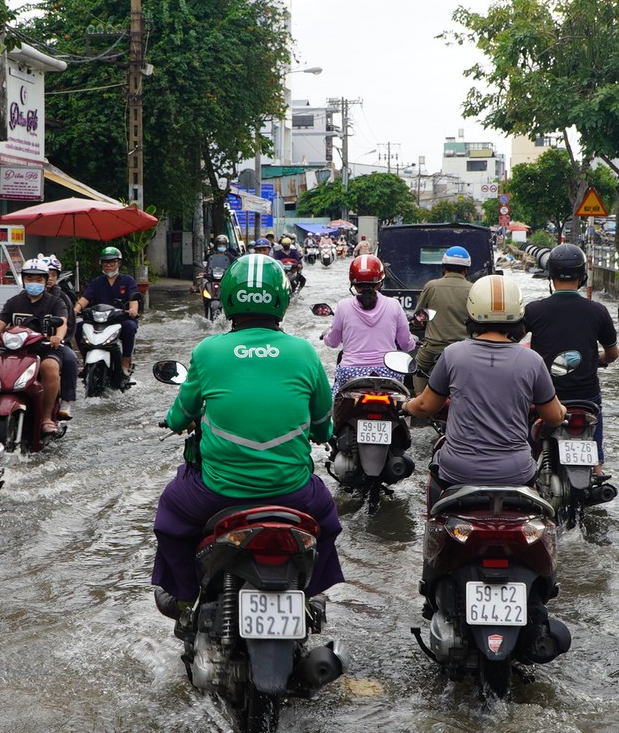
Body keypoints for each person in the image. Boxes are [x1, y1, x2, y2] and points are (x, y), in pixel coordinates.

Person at [153, 254, 343, 609]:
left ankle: (184, 597)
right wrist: (321, 432)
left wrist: (176, 422)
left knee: (170, 516)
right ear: (282, 299)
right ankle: (313, 595)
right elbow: (321, 424)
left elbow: (183, 414)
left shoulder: (208, 350)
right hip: (293, 492)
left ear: (226, 298)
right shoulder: (304, 351)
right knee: (328, 523)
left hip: (217, 493)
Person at [405, 274, 565, 504]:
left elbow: (425, 405)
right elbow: (553, 416)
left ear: (471, 312)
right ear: (518, 315)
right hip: (516, 473)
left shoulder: (453, 354)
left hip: (458, 472)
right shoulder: (532, 360)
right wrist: (562, 411)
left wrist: (405, 405)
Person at [520, 243, 619, 466]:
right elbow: (613, 354)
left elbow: (510, 345)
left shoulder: (534, 310)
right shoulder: (598, 311)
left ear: (551, 274)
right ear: (582, 276)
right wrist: (598, 359)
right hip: (586, 397)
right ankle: (597, 466)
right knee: (595, 425)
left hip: (545, 396)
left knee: (525, 450)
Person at [0, 260, 69, 435]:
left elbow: (62, 322)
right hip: (15, 350)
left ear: (45, 280)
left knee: (50, 368)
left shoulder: (55, 302)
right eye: (30, 278)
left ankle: (47, 417)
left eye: (38, 279)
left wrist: (58, 336)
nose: (34, 282)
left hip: (44, 349)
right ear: (23, 279)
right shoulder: (13, 302)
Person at [324, 254, 414, 385]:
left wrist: (326, 336)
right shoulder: (394, 304)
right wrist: (412, 342)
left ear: (353, 283)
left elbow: (333, 342)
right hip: (388, 373)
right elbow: (406, 344)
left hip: (351, 374)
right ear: (380, 282)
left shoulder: (343, 306)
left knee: (337, 401)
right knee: (403, 402)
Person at [410, 244, 475, 393]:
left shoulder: (432, 286)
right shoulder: (474, 289)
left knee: (417, 368)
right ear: (466, 270)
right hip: (466, 350)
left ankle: (420, 403)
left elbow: (419, 317)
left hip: (433, 349)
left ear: (444, 267)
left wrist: (420, 324)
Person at [75, 246, 140, 385]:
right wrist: (76, 309)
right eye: (105, 262)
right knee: (79, 326)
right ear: (101, 264)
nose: (108, 265)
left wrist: (133, 310)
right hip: (99, 321)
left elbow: (133, 300)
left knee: (129, 327)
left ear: (119, 263)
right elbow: (85, 298)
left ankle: (125, 364)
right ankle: (87, 361)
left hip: (120, 319)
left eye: (112, 262)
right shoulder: (97, 282)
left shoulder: (128, 280)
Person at [38, 257, 79, 421]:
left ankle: (66, 401)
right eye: (47, 274)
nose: (50, 278)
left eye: (53, 275)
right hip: (28, 344)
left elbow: (67, 325)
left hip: (55, 345)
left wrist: (57, 337)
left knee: (70, 359)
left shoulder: (62, 299)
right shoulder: (21, 299)